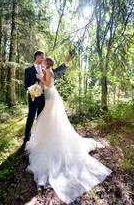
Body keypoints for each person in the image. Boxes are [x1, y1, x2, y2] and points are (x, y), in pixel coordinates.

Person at [25, 57, 112, 204]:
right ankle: (50, 138)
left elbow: (46, 83)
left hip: (51, 97)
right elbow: (46, 83)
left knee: (49, 118)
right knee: (49, 118)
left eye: (45, 60)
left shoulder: (47, 71)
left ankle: (52, 140)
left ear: (46, 63)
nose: (43, 61)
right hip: (50, 95)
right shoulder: (49, 70)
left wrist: (40, 77)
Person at [21, 51, 71, 152]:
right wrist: (30, 91)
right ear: (36, 57)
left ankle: (39, 140)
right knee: (31, 117)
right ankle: (26, 140)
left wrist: (65, 63)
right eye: (41, 57)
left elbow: (55, 71)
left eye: (44, 57)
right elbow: (26, 84)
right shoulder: (28, 70)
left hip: (45, 98)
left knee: (41, 119)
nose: (43, 58)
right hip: (33, 97)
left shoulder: (46, 69)